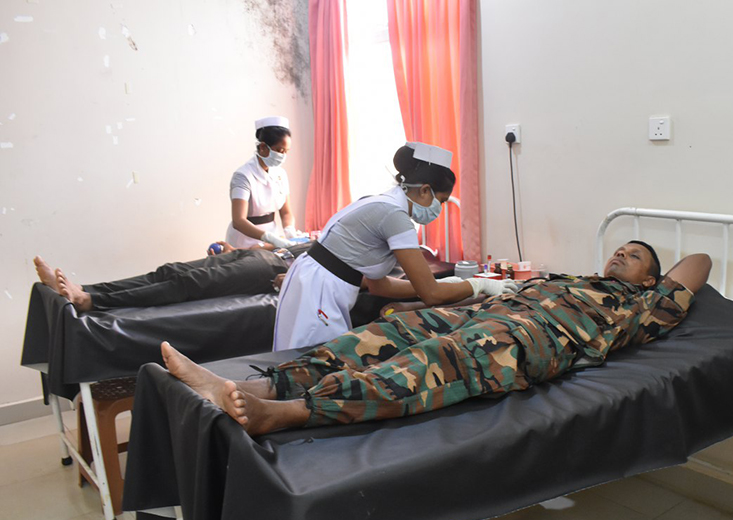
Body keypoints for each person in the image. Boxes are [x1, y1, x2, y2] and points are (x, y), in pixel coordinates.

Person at [161, 242, 712, 436]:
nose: (620, 254)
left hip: (525, 339)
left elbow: (700, 261)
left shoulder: (640, 308)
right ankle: (253, 386)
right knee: (390, 330)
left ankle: (286, 414)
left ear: (651, 279)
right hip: (490, 312)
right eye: (620, 247)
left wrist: (655, 280)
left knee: (436, 358)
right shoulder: (569, 278)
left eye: (635, 256)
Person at [273, 142, 519, 351]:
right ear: (424, 190)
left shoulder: (381, 203)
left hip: (313, 280)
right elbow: (430, 295)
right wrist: (478, 284)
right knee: (310, 363)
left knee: (300, 357)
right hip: (319, 290)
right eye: (441, 201)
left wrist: (447, 284)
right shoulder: (395, 216)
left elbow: (378, 285)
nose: (439, 209)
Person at [32, 242, 308, 312]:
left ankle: (90, 300)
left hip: (274, 270)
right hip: (268, 255)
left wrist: (293, 280)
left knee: (186, 284)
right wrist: (243, 251)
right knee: (170, 271)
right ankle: (82, 287)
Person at [226, 116, 300, 250]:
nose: (283, 156)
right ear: (263, 147)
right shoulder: (243, 176)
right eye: (279, 150)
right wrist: (270, 238)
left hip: (272, 239)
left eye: (286, 151)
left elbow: (286, 212)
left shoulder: (280, 174)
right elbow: (238, 221)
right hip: (244, 240)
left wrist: (290, 231)